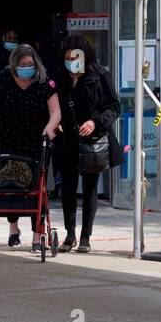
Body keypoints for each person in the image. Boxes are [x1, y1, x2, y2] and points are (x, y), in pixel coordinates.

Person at [0, 43, 61, 250]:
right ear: (14, 64)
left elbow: (55, 112)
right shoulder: (5, 79)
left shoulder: (44, 81)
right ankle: (13, 229)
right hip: (9, 141)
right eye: (22, 64)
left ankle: (36, 236)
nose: (27, 67)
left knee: (36, 187)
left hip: (36, 142)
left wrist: (50, 127)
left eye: (30, 64)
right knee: (10, 187)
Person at [53, 35, 121, 252]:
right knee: (68, 188)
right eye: (67, 58)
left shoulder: (100, 75)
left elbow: (114, 107)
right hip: (67, 141)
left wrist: (95, 122)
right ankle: (70, 234)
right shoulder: (60, 78)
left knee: (90, 189)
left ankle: (85, 237)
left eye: (75, 57)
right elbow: (53, 106)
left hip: (92, 141)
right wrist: (57, 122)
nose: (70, 61)